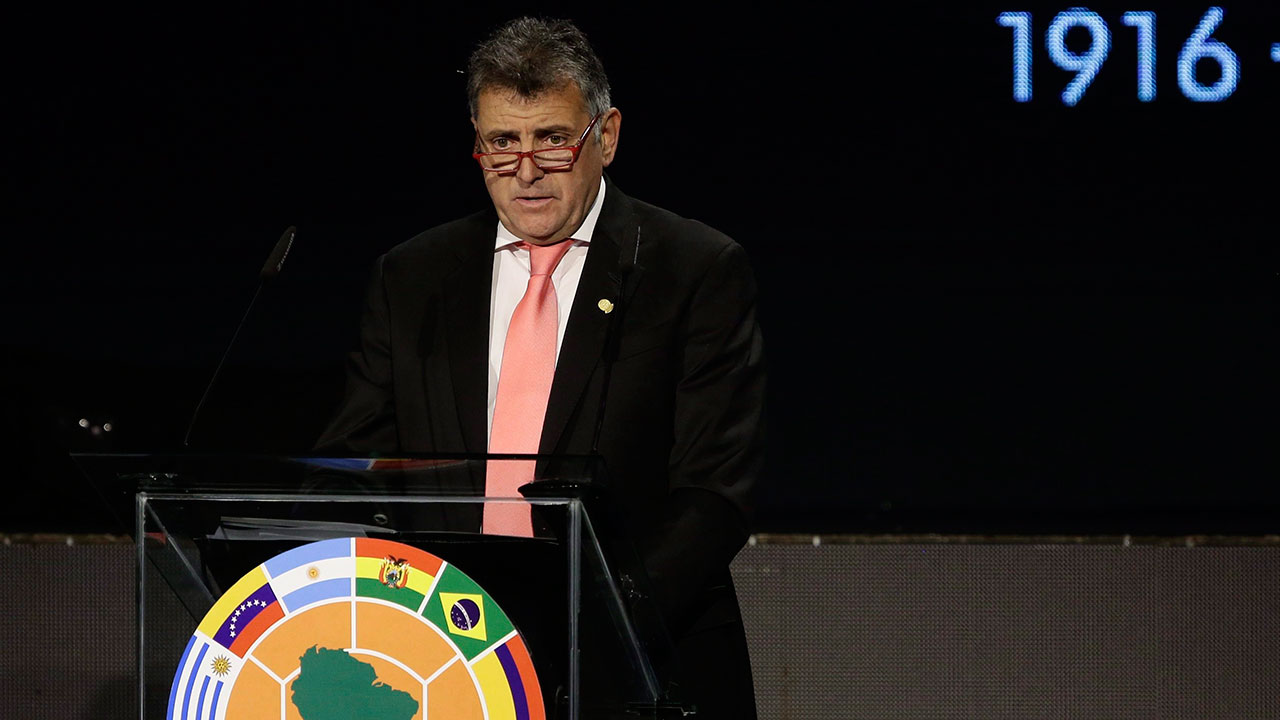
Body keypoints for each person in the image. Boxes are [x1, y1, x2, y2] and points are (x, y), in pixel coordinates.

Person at [318, 17, 764, 718]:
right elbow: (354, 463)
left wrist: (590, 625)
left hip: (639, 664)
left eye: (553, 139)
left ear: (605, 136)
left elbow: (714, 492)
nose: (525, 171)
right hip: (443, 667)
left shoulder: (694, 268)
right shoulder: (412, 277)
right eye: (503, 143)